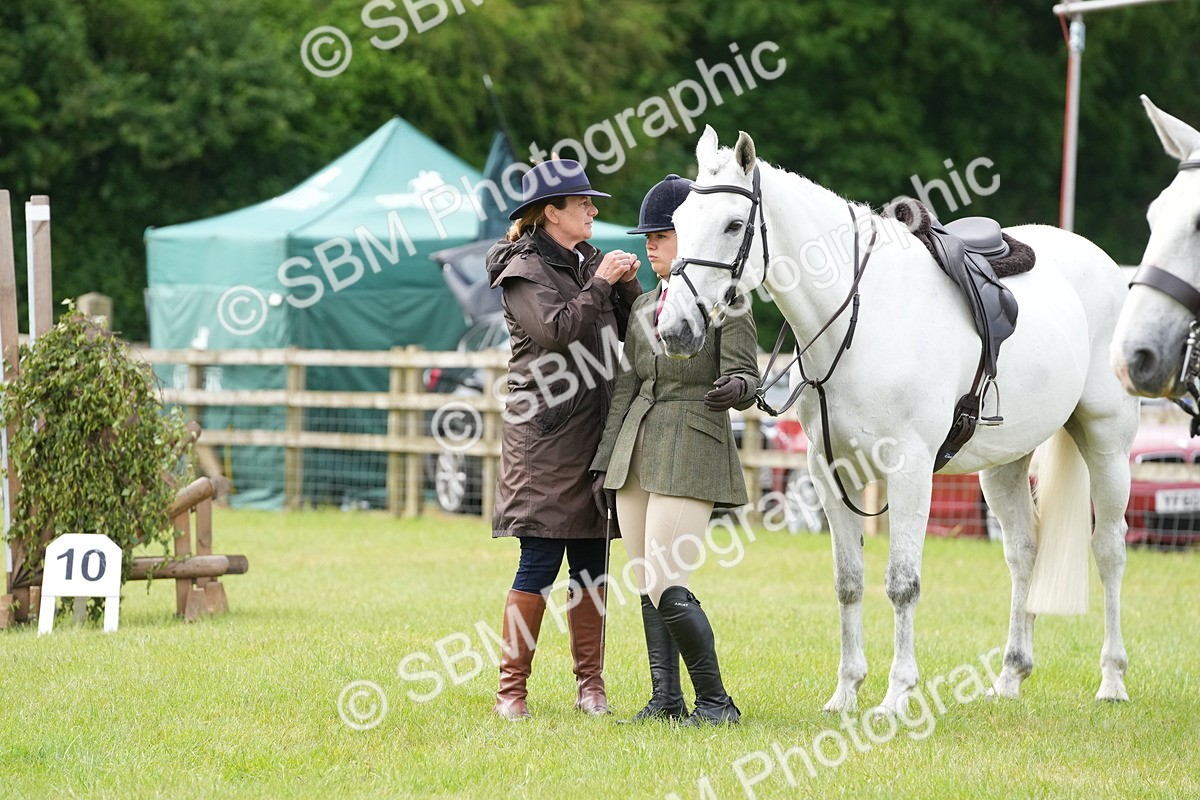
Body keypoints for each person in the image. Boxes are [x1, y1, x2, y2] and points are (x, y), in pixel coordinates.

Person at [590, 174, 760, 726]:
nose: (651, 244)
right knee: (645, 579)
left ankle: (716, 701)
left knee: (667, 579)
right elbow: (628, 385)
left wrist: (739, 387)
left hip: (691, 443)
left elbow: (746, 373)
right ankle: (666, 700)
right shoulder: (642, 307)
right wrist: (605, 464)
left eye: (662, 234)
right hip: (638, 447)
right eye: (650, 235)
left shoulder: (728, 300)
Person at [485, 158, 643, 720]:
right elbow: (556, 331)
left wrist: (624, 287)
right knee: (539, 562)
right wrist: (602, 283)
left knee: (592, 565)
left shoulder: (592, 262)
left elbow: (635, 328)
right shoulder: (524, 269)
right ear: (552, 212)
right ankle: (511, 692)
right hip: (545, 441)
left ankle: (590, 686)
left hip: (597, 433)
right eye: (583, 203)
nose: (594, 210)